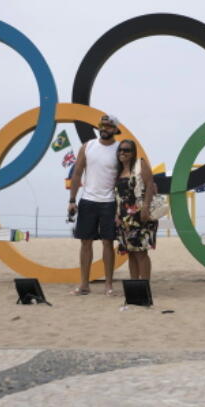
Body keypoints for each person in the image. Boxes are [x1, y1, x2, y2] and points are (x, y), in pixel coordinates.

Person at [67, 114, 121, 295]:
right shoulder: (88, 146)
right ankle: (84, 284)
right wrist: (72, 200)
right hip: (88, 200)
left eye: (108, 126)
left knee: (107, 243)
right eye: (102, 125)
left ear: (115, 129)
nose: (104, 128)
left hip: (110, 202)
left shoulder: (120, 149)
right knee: (85, 242)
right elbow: (77, 174)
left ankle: (108, 285)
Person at [113, 139, 158, 280]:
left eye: (127, 150)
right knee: (130, 253)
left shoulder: (140, 164)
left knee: (141, 253)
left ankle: (144, 286)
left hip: (140, 216)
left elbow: (150, 185)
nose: (122, 152)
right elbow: (118, 196)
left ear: (133, 153)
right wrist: (116, 214)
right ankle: (135, 285)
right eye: (120, 150)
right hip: (124, 219)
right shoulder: (118, 171)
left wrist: (145, 208)